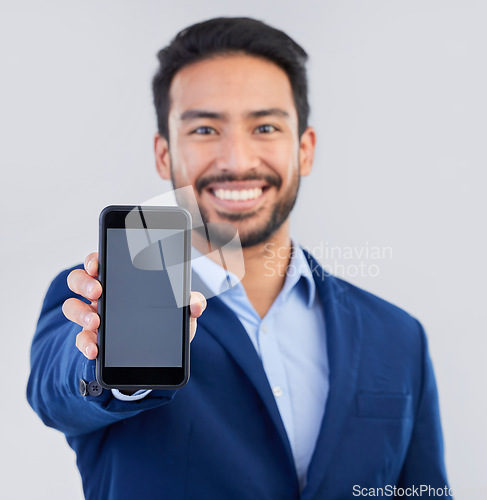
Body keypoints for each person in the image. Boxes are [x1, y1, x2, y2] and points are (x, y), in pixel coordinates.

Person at [27, 17, 451, 500]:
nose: (237, 159)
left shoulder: (397, 336)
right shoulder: (102, 297)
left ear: (304, 149)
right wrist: (111, 363)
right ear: (164, 154)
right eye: (206, 128)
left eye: (265, 126)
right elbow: (58, 389)